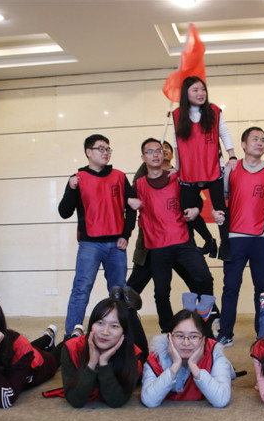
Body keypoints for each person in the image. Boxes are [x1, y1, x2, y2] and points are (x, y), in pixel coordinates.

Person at [129, 138, 216, 334]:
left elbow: (196, 199)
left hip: (183, 242)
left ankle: (205, 327)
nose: (155, 154)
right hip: (157, 247)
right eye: (150, 151)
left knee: (204, 279)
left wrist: (196, 209)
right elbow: (117, 199)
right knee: (161, 293)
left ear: (164, 154)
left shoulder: (178, 178)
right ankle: (167, 331)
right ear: (143, 157)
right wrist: (128, 201)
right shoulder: (139, 185)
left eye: (159, 150)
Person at [213, 126, 264, 346]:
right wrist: (215, 212)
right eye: (255, 139)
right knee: (231, 286)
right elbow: (220, 197)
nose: (259, 143)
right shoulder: (232, 168)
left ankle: (263, 334)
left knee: (263, 289)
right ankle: (225, 333)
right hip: (235, 236)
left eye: (262, 140)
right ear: (243, 144)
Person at [58, 134, 137, 337]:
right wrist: (71, 189)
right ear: (88, 152)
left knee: (119, 292)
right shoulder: (78, 178)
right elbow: (64, 212)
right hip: (89, 244)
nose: (106, 152)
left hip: (117, 245)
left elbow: (132, 207)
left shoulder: (119, 176)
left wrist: (126, 235)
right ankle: (71, 336)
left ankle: (120, 335)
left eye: (108, 149)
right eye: (101, 148)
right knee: (81, 289)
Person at [172, 76, 235, 261]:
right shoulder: (177, 115)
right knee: (186, 211)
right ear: (186, 93)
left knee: (220, 208)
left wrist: (231, 155)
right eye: (195, 90)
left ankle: (225, 245)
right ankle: (208, 240)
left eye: (203, 89)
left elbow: (224, 132)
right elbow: (176, 143)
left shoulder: (213, 111)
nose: (201, 93)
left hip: (212, 166)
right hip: (189, 169)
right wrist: (177, 167)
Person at [45, 298, 142, 408]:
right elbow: (75, 400)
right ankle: (76, 332)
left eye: (114, 326)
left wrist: (103, 363)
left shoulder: (134, 355)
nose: (105, 332)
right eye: (100, 323)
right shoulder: (72, 349)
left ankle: (130, 308)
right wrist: (92, 364)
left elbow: (116, 401)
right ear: (91, 325)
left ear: (123, 332)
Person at [141, 309, 234, 408]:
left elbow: (221, 400)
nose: (186, 343)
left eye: (193, 336)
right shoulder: (157, 354)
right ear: (170, 337)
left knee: (227, 369)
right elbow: (149, 400)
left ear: (203, 339)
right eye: (179, 336)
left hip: (224, 366)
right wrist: (175, 365)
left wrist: (193, 366)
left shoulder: (214, 353)